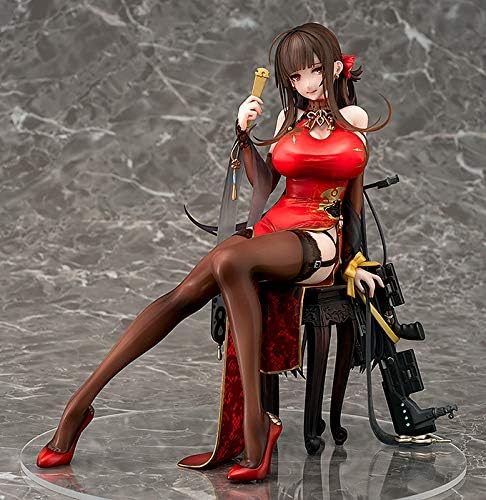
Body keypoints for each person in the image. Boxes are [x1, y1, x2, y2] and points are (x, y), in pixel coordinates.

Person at [36, 22, 391, 482]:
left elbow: (354, 203)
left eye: (316, 70)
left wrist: (355, 265)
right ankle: (79, 405)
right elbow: (267, 183)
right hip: (272, 228)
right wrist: (243, 133)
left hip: (319, 237)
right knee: (182, 294)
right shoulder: (288, 120)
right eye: (296, 76)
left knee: (228, 259)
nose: (307, 83)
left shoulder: (355, 120)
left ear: (335, 66)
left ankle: (255, 425)